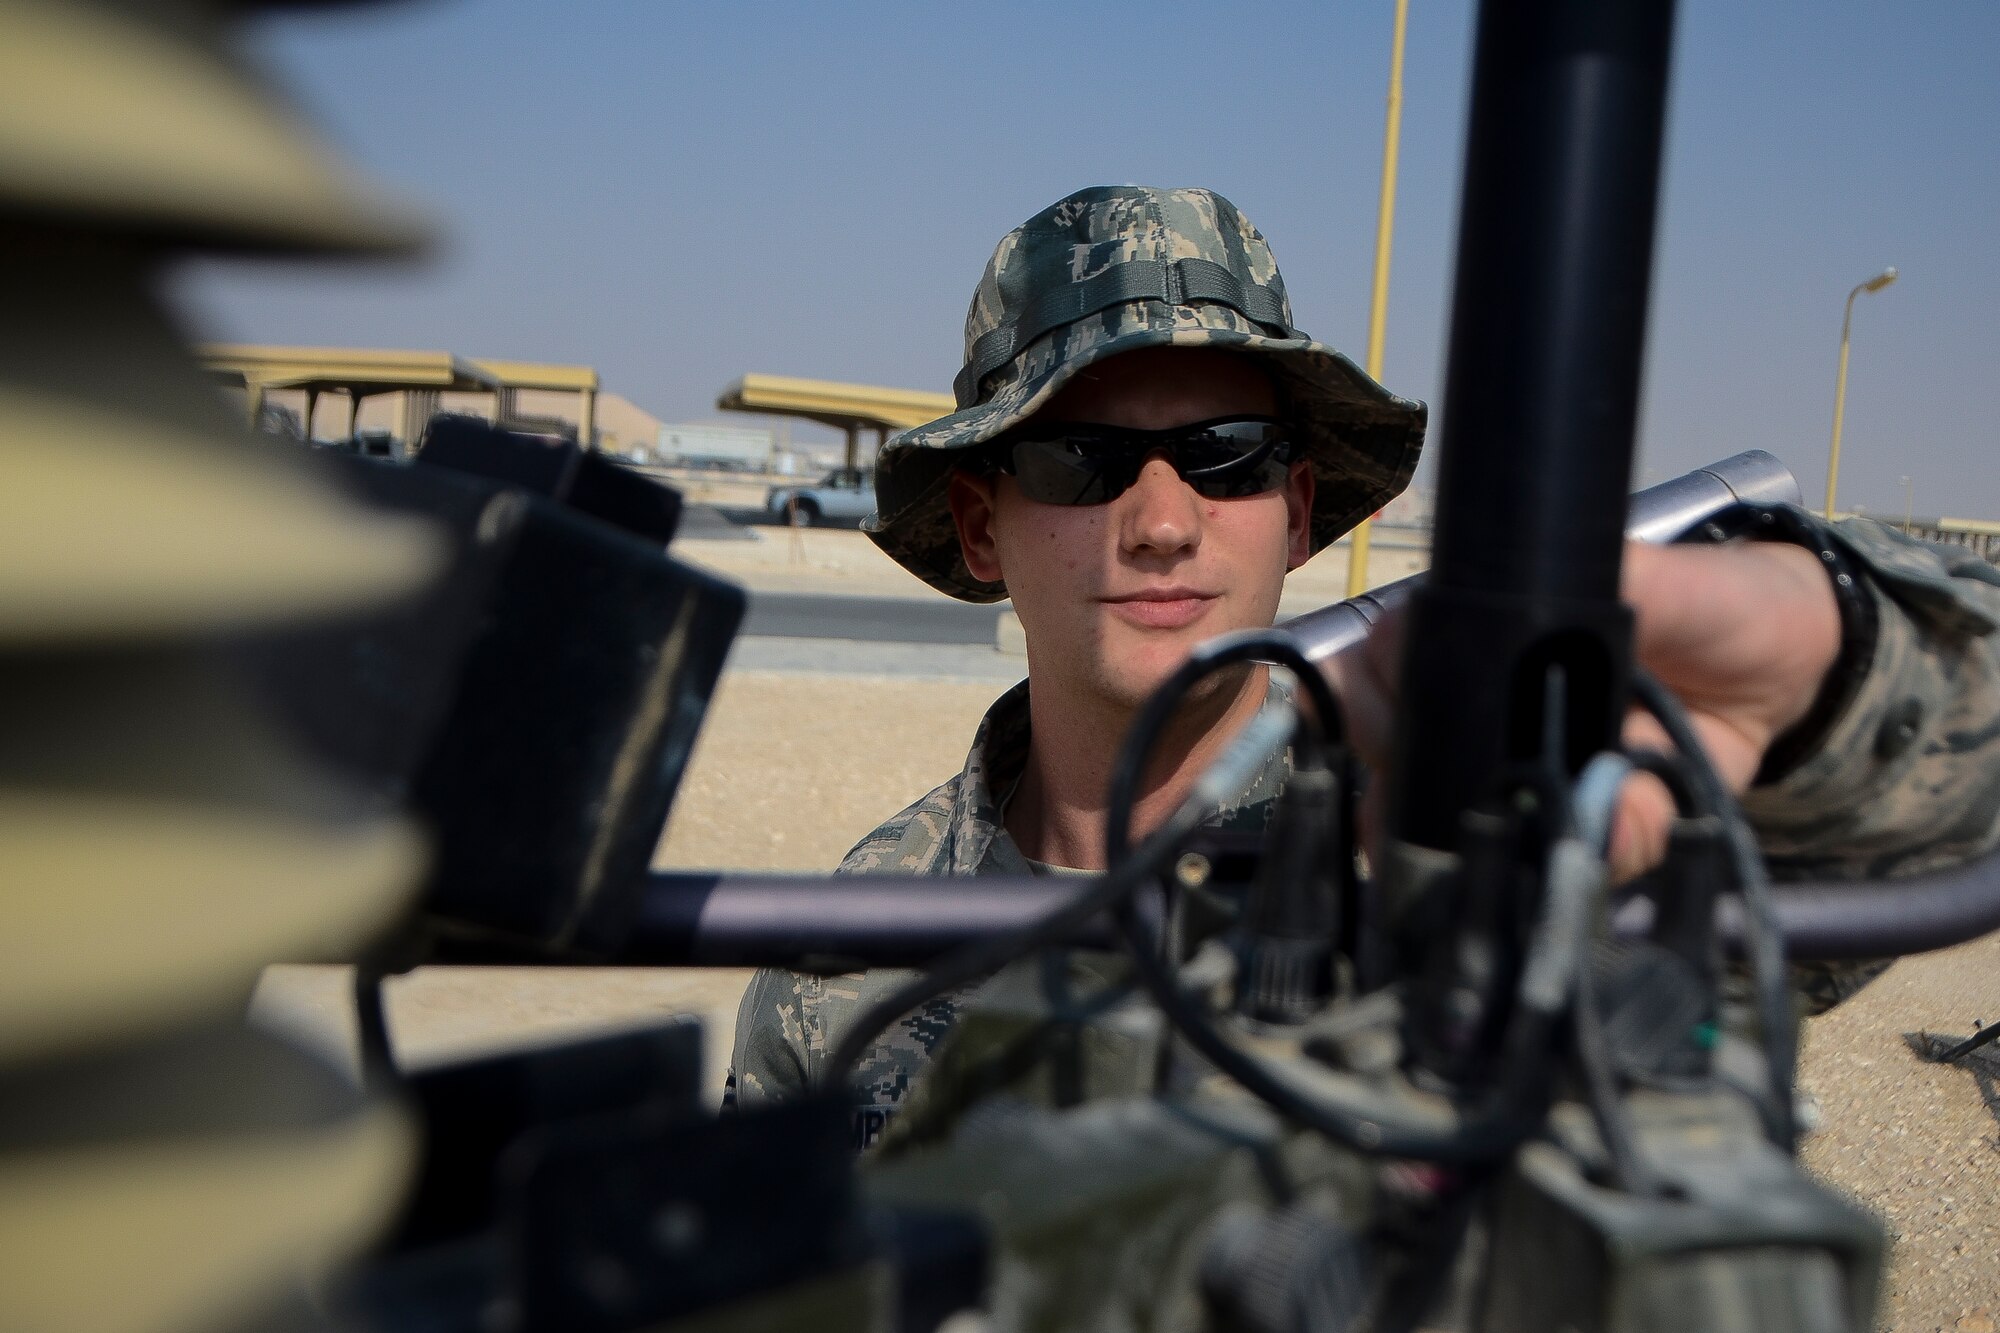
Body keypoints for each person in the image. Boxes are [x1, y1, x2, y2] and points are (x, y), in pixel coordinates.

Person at [726, 184, 2000, 1139]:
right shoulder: (841, 968)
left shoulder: (1476, 855)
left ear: (1294, 506)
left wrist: (1833, 661)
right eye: (1079, 459)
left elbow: (1933, 830)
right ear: (978, 524)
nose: (1163, 522)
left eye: (1222, 453)